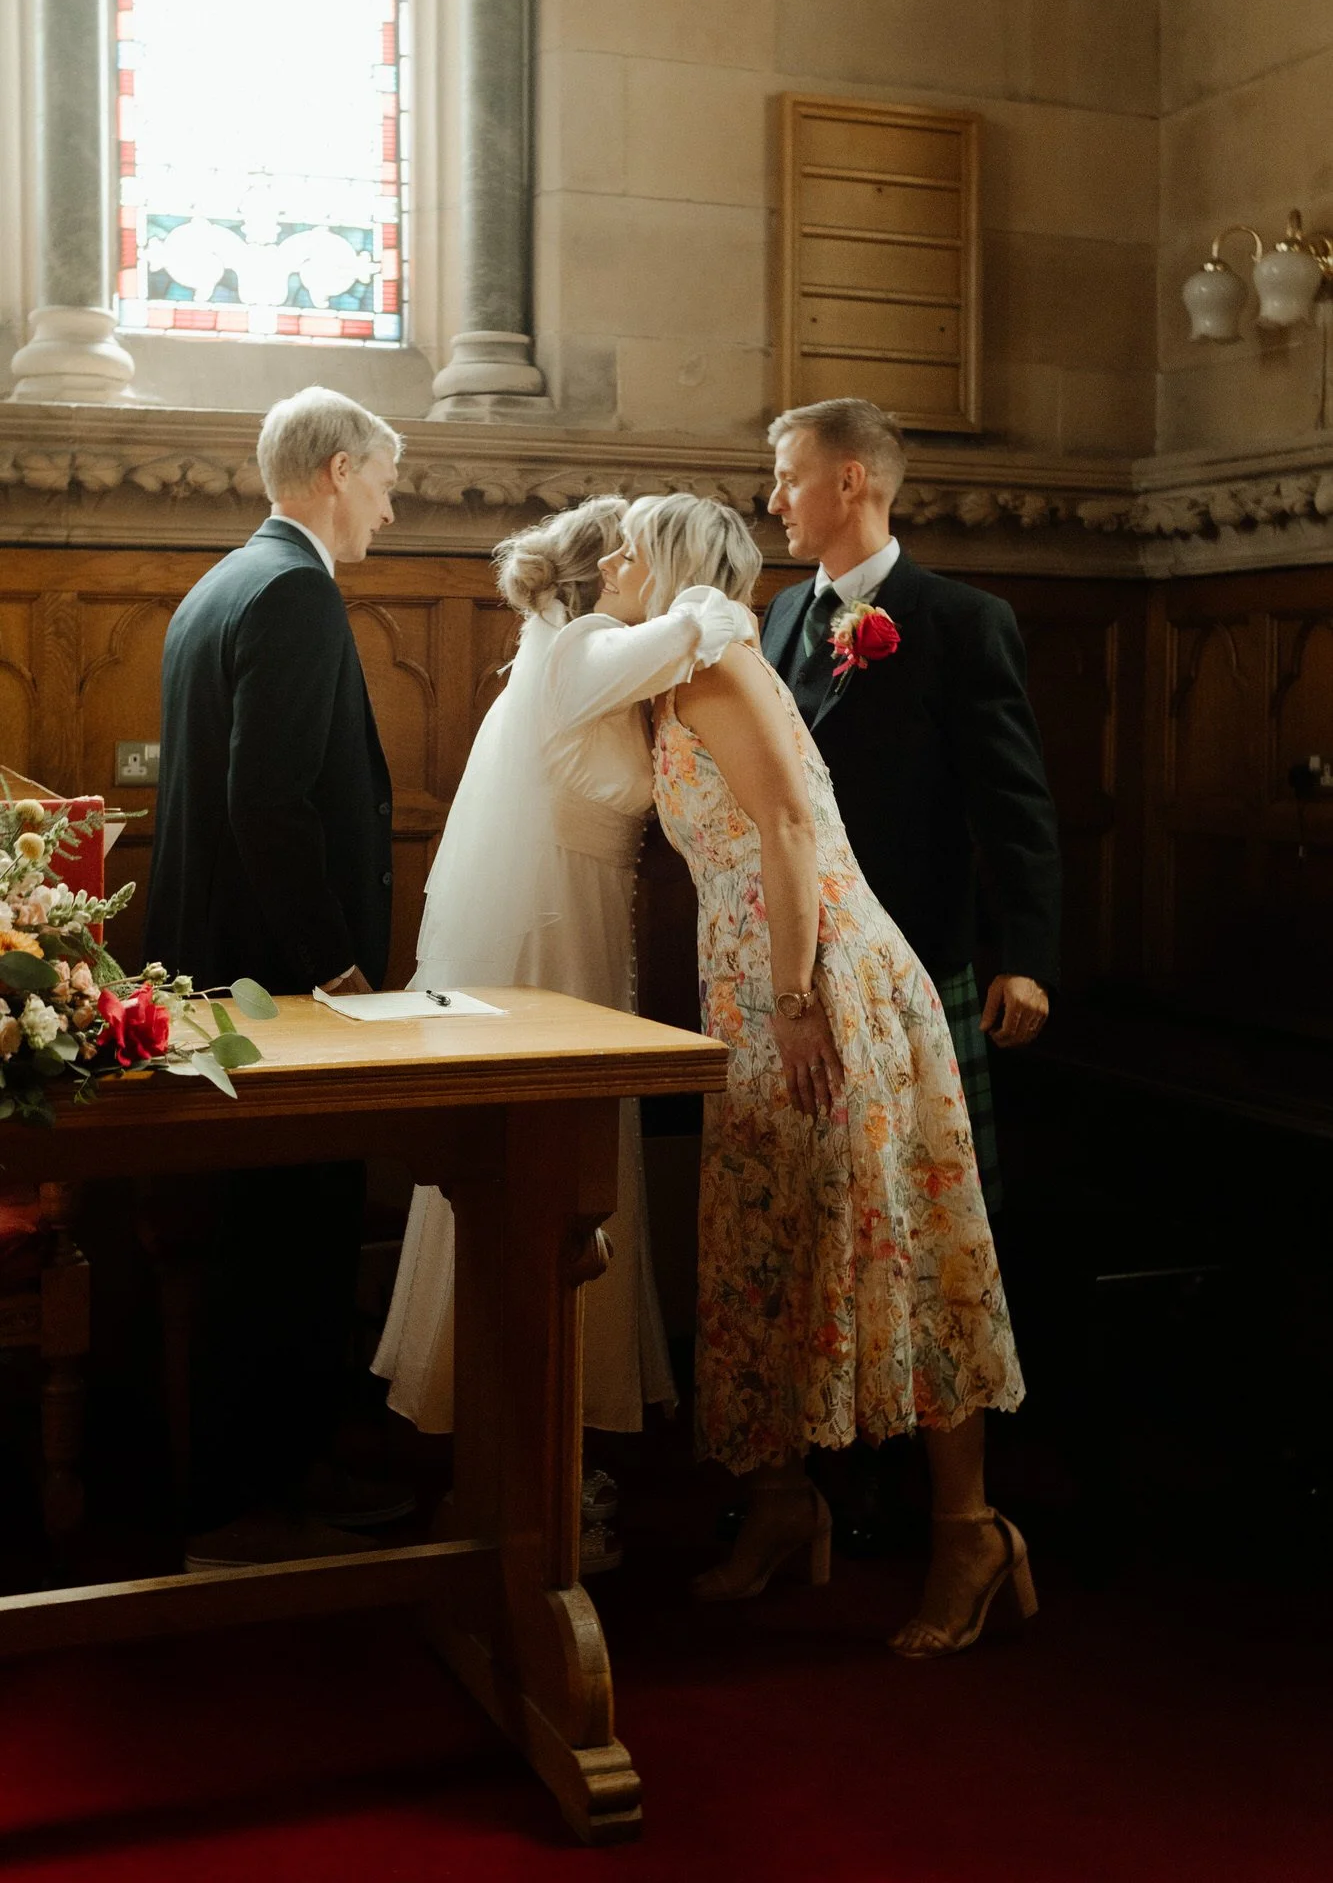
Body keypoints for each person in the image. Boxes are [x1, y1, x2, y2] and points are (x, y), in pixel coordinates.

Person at [612, 491, 1032, 1657]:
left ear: (667, 562)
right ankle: (787, 1502)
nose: (606, 559)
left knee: (905, 1237)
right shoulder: (669, 671)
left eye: (622, 545)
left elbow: (792, 830)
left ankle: (969, 1529)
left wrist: (796, 1003)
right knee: (767, 1239)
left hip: (824, 979)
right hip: (752, 982)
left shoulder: (720, 668)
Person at [372, 497, 752, 1559]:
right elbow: (705, 625)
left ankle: (543, 1458)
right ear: (600, 574)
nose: (636, 561)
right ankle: (521, 1464)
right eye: (623, 549)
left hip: (580, 933)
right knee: (544, 1175)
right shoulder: (578, 646)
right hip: (538, 947)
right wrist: (715, 597)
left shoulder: (585, 650)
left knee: (576, 1181)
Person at [143, 385, 406, 1566]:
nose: (389, 514)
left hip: (210, 975)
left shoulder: (217, 585)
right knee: (287, 1243)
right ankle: (259, 1502)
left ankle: (265, 1477)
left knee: (261, 1236)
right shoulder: (295, 588)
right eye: (388, 485)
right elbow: (267, 801)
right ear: (339, 469)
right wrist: (338, 965)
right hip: (278, 991)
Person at [761, 397, 1062, 1214]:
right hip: (798, 947)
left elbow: (1011, 800)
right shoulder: (781, 613)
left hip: (916, 949)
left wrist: (1025, 954)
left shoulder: (964, 621)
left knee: (920, 1196)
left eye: (789, 480)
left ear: (849, 480)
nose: (773, 501)